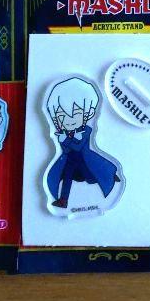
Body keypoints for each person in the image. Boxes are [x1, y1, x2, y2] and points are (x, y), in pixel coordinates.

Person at [44, 77, 121, 210]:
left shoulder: (86, 130)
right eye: (62, 116)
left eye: (76, 113)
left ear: (87, 113)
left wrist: (65, 140)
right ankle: (63, 201)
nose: (68, 120)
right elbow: (65, 150)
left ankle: (109, 175)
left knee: (93, 175)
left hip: (84, 160)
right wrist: (64, 141)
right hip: (69, 161)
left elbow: (77, 146)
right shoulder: (63, 133)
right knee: (66, 178)